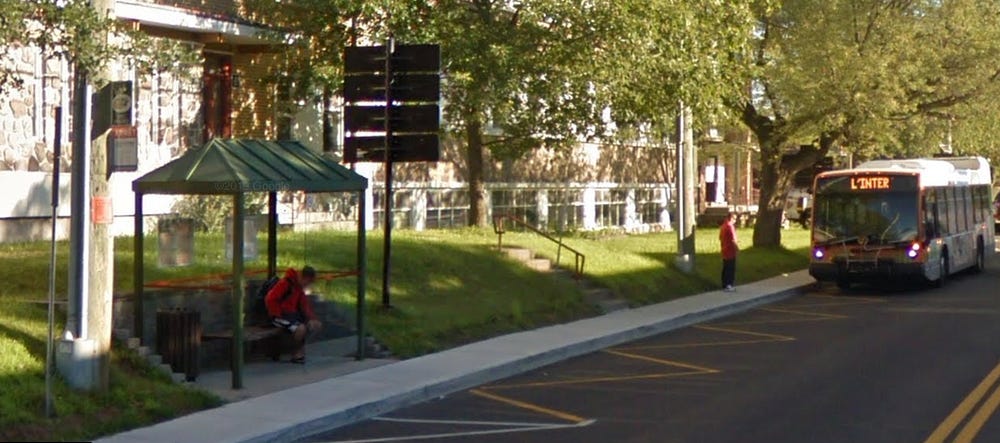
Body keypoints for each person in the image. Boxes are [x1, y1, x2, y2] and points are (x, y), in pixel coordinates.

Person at [266, 265, 323, 363]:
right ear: (304, 277)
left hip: (292, 315)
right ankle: (296, 353)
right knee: (301, 328)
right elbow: (270, 299)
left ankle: (300, 349)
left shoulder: (299, 288)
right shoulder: (285, 284)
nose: (308, 285)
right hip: (279, 316)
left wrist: (312, 318)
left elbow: (305, 305)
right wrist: (277, 314)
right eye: (308, 282)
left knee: (314, 325)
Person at [719, 212, 739, 292]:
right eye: (734, 219)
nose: (735, 221)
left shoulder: (723, 226)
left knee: (725, 267)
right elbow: (733, 239)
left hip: (724, 249)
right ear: (731, 218)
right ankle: (729, 284)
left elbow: (720, 237)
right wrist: (737, 248)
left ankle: (724, 284)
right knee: (730, 268)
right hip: (730, 250)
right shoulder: (730, 227)